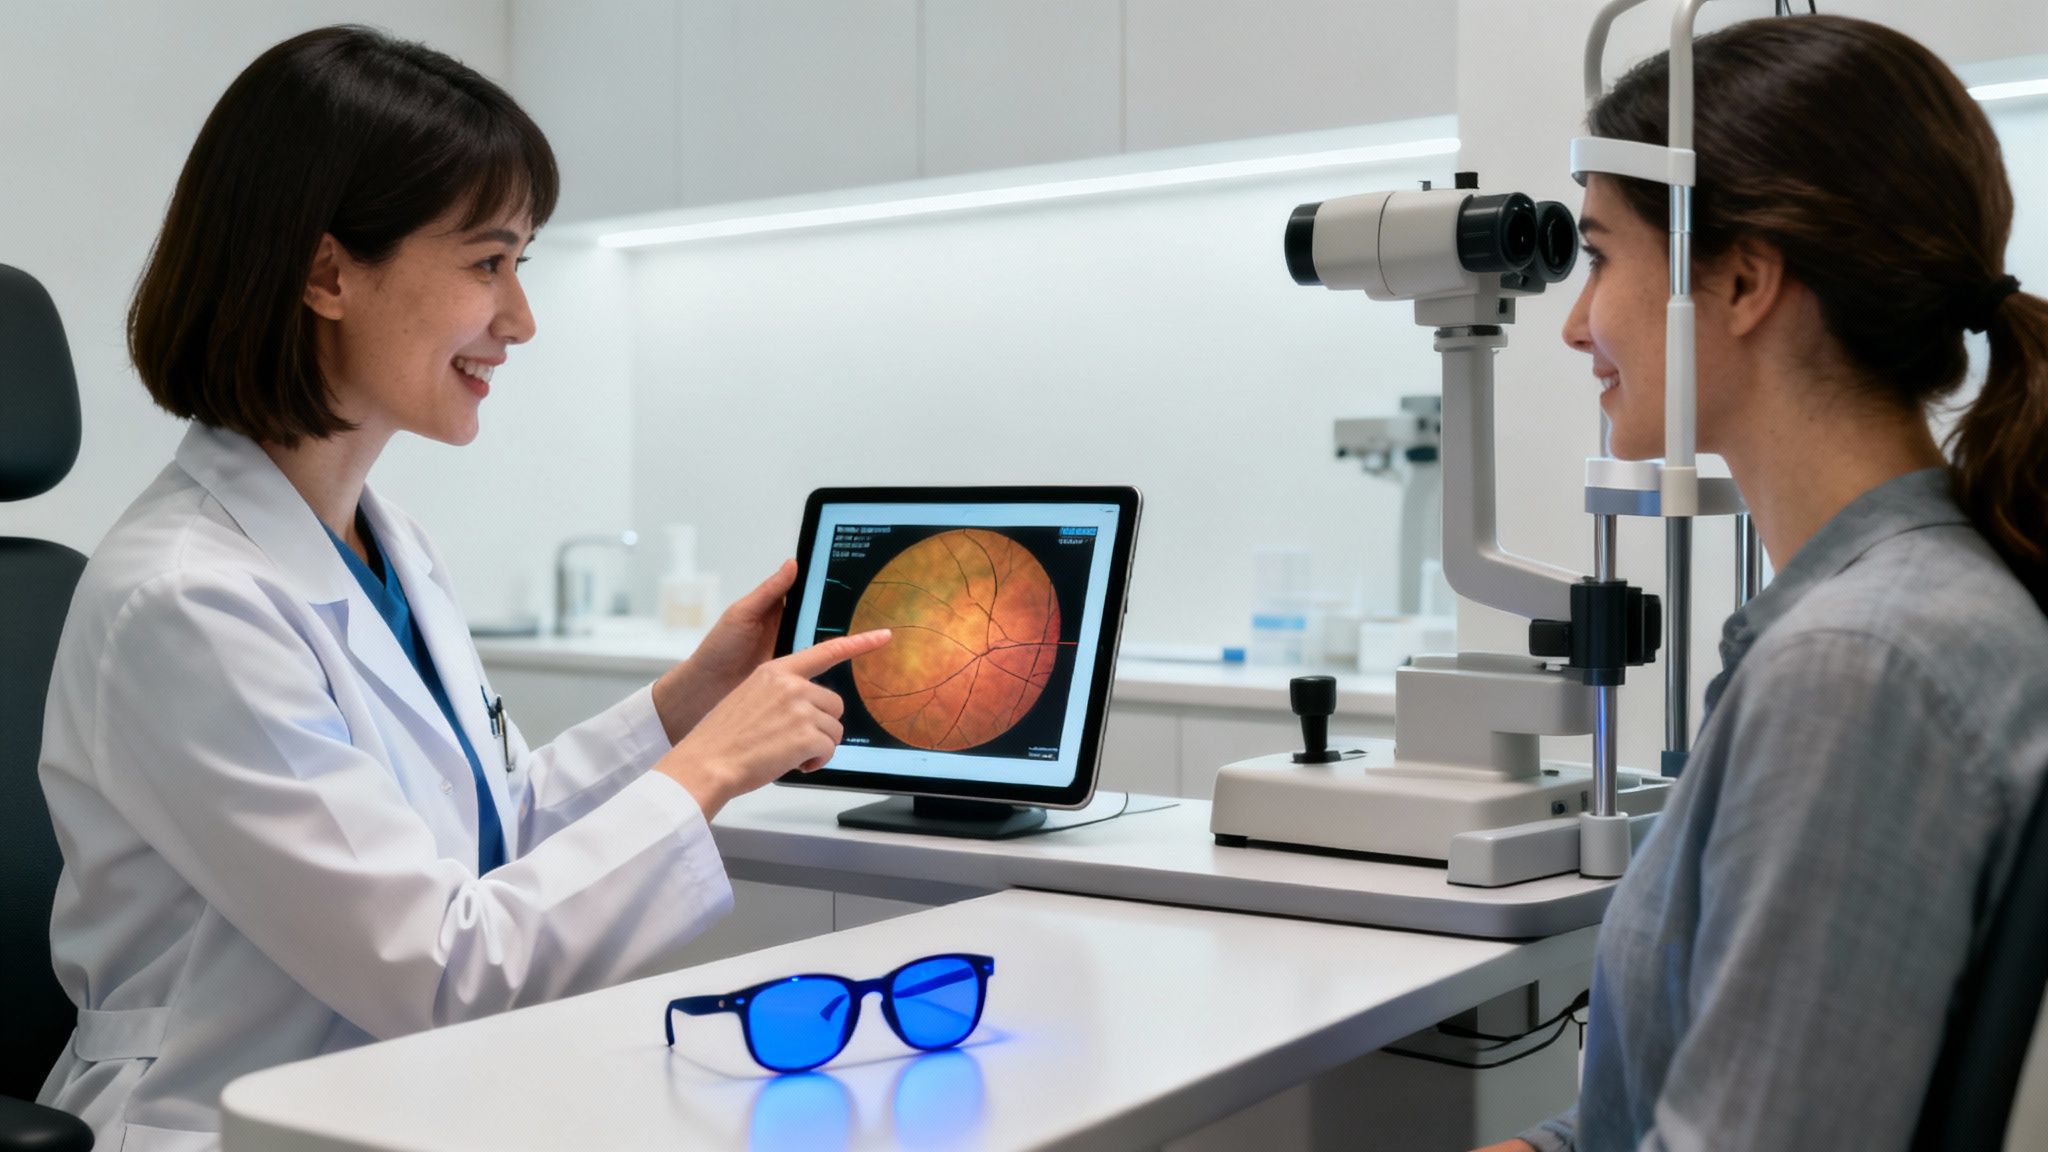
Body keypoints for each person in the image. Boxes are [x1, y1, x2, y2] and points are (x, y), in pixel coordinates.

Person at [34, 26, 888, 1149]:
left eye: (521, 264)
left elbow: (486, 836)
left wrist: (689, 701)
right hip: (225, 1122)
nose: (520, 319)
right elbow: (443, 965)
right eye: (488, 263)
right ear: (327, 272)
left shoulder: (385, 544)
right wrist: (713, 765)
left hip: (399, 1103)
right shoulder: (188, 601)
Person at [1471, 15, 2048, 1152]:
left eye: (1596, 256)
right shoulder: (1887, 619)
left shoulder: (1859, 669)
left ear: (1739, 278)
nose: (1575, 325)